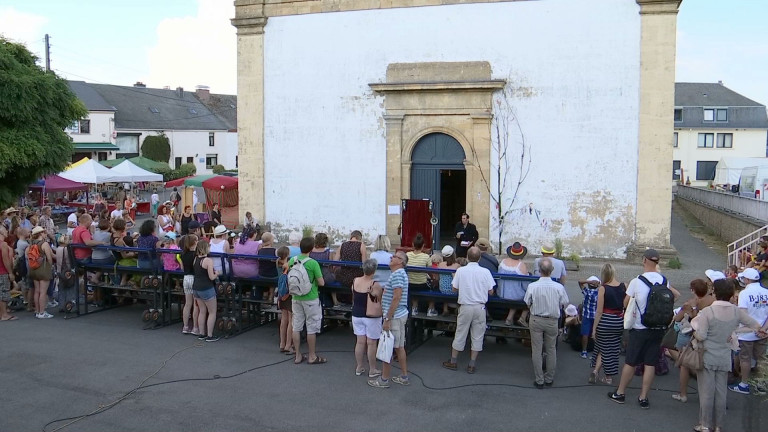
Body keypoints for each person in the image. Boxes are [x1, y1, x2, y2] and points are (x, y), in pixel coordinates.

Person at [692, 279, 768, 432]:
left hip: (707, 355)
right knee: (721, 391)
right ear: (731, 294)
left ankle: (705, 424)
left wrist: (694, 332)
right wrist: (735, 332)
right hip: (725, 355)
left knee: (706, 392)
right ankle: (719, 425)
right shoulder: (736, 311)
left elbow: (701, 335)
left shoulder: (708, 312)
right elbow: (755, 325)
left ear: (715, 292)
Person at [608, 249, 680, 409]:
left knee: (631, 361)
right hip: (658, 327)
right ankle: (643, 397)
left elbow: (625, 303)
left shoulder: (637, 281)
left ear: (644, 260)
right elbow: (673, 297)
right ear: (658, 262)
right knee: (650, 363)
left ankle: (620, 392)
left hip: (640, 327)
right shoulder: (664, 280)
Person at [441, 247, 495, 373]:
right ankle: (472, 364)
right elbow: (491, 291)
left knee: (460, 333)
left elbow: (454, 288)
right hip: (480, 306)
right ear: (479, 258)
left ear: (467, 256)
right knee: (477, 335)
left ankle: (453, 361)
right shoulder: (485, 272)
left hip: (465, 305)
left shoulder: (461, 271)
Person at [525, 257, 569, 388]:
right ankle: (549, 377)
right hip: (552, 320)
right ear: (552, 270)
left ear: (539, 270)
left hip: (536, 318)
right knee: (551, 350)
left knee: (536, 349)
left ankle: (539, 379)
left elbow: (527, 302)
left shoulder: (532, 286)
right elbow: (564, 303)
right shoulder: (558, 287)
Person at [368, 251, 410, 388]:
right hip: (399, 314)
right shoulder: (399, 274)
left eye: (396, 256)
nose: (392, 257)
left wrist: (388, 318)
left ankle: (384, 379)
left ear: (401, 262)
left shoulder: (397, 275)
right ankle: (404, 376)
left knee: (388, 347)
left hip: (394, 316)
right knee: (399, 347)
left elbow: (396, 297)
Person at [671, 278, 715, 402]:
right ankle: (707, 394)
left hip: (688, 336)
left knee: (684, 364)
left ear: (692, 290)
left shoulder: (690, 303)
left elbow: (678, 319)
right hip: (707, 337)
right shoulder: (711, 302)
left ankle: (683, 394)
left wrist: (687, 309)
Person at [728, 267, 768, 395]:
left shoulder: (745, 293)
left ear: (747, 279)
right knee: (761, 358)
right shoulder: (766, 291)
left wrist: (753, 328)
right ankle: (762, 384)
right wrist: (763, 329)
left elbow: (743, 315)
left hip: (747, 333)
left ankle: (744, 384)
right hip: (763, 331)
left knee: (745, 358)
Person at [588, 264, 626, 386]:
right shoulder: (623, 286)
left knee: (602, 347)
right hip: (618, 321)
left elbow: (599, 311)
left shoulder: (603, 288)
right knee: (611, 348)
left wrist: (594, 329)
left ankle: (603, 374)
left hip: (605, 321)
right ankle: (600, 373)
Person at [290, 237, 326, 365]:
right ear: (312, 248)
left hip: (296, 297)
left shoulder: (292, 260)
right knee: (311, 327)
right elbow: (321, 282)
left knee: (297, 326)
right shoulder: (313, 263)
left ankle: (298, 355)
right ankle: (312, 356)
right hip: (310, 298)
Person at [352, 259, 384, 377]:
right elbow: (379, 300)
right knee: (371, 343)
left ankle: (359, 367)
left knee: (360, 341)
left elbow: (353, 296)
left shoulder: (355, 281)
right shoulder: (375, 285)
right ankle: (372, 369)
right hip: (371, 316)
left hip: (356, 314)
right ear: (374, 270)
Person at [192, 240, 220, 342]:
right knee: (212, 312)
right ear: (206, 248)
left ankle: (201, 333)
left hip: (196, 287)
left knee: (202, 311)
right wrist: (217, 273)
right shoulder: (208, 260)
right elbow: (211, 277)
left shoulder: (195, 259)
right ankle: (210, 335)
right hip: (207, 288)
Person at [498, 242, 530, 326]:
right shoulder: (521, 266)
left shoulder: (502, 262)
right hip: (515, 296)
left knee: (514, 292)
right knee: (529, 296)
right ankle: (522, 318)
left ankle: (509, 318)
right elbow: (526, 286)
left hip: (501, 293)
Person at [28, 226, 55, 319]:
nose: (45, 234)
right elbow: (49, 258)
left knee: (37, 291)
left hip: (34, 269)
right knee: (43, 292)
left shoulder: (31, 244)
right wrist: (50, 266)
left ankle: (37, 311)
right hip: (43, 269)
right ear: (40, 234)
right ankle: (42, 312)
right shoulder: (44, 244)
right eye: (43, 232)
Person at [334, 230, 367, 305]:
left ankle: (344, 302)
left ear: (351, 236)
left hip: (343, 276)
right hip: (356, 277)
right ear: (360, 238)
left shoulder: (342, 245)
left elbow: (335, 261)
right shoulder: (361, 245)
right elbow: (364, 263)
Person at [407, 233, 434, 316]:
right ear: (423, 246)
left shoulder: (407, 255)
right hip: (422, 284)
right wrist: (433, 279)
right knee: (434, 288)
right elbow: (430, 271)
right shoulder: (426, 257)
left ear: (413, 244)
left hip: (410, 284)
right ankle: (431, 309)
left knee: (414, 287)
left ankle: (414, 307)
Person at [180, 234, 200, 335]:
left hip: (186, 278)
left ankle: (185, 326)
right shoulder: (195, 254)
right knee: (196, 305)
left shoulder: (183, 253)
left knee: (188, 304)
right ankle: (195, 327)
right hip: (194, 278)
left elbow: (182, 267)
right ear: (195, 242)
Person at [309, 233, 335, 307]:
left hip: (312, 276)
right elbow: (332, 266)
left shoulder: (310, 251)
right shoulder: (329, 252)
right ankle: (331, 303)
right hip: (325, 277)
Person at [578, 275, 601, 359]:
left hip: (586, 315)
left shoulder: (586, 291)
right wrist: (598, 283)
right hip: (596, 316)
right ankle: (596, 353)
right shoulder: (599, 293)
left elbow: (580, 282)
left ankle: (584, 351)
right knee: (595, 333)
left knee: (585, 334)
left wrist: (589, 281)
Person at [433, 245, 460, 316]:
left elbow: (437, 278)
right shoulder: (457, 266)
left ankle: (445, 309)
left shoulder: (440, 265)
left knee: (445, 287)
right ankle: (458, 308)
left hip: (442, 289)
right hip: (453, 291)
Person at [276, 246, 293, 353]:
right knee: (291, 320)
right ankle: (288, 344)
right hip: (288, 294)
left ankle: (282, 343)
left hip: (281, 293)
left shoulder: (277, 263)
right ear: (287, 254)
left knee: (283, 319)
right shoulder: (289, 264)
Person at [0, 226, 17, 321]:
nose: (7, 231)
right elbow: (5, 259)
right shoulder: (3, 244)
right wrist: (10, 272)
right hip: (2, 271)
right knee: (3, 292)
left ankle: (1, 313)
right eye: (5, 230)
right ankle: (4, 314)